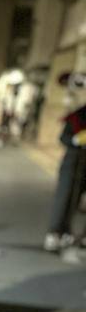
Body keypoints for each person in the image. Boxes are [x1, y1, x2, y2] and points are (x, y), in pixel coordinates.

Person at [45, 73, 86, 254]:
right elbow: (64, 137)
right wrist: (76, 140)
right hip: (72, 163)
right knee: (65, 199)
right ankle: (56, 233)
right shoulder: (77, 117)